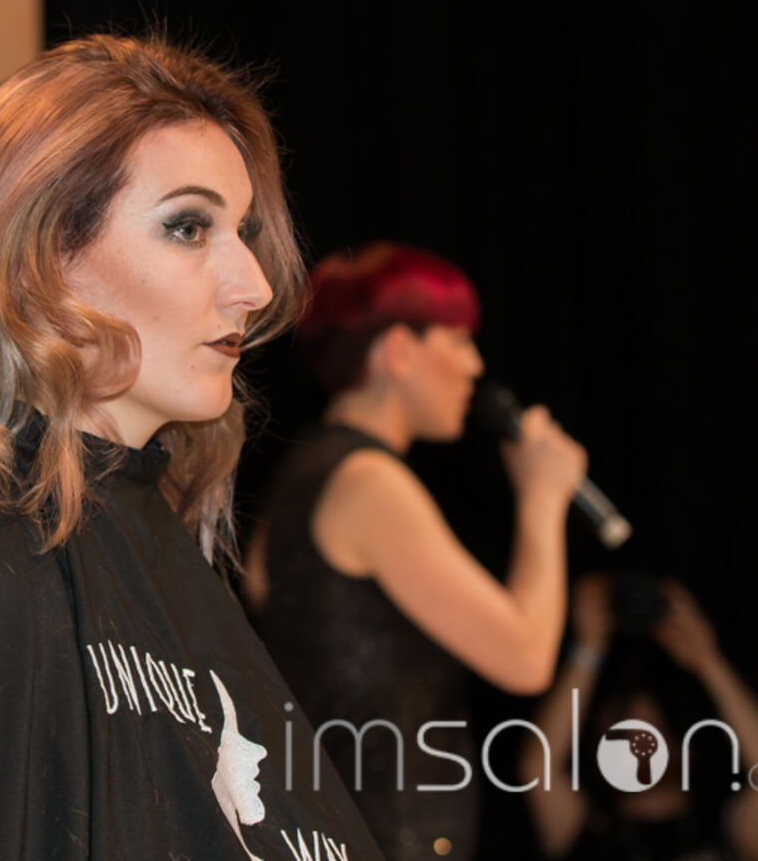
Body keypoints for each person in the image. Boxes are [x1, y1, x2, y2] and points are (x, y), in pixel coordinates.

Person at [0, 35, 385, 860]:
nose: (257, 286)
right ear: (45, 259)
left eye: (242, 230)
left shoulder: (163, 558)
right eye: (189, 226)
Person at [248, 242, 588, 860]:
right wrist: (542, 499)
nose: (474, 365)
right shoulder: (368, 484)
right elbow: (525, 657)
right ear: (399, 350)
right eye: (457, 340)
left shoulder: (300, 478)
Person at [524, 573, 758, 861]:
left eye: (655, 730)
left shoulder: (726, 835)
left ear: (686, 746)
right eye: (623, 734)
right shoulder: (583, 833)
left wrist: (709, 662)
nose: (640, 745)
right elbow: (537, 768)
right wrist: (587, 651)